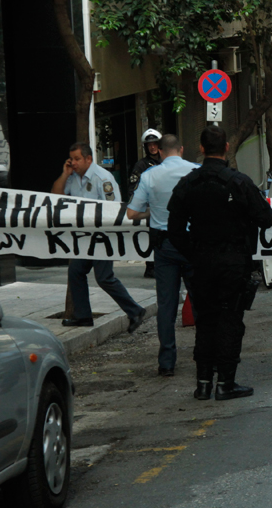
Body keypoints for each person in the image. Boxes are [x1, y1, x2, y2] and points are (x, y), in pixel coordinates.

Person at [169, 126, 272, 401]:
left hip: (202, 261)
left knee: (205, 320)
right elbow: (265, 217)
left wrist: (193, 252)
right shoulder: (238, 182)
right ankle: (225, 383)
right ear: (227, 147)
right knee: (229, 320)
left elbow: (174, 228)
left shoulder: (188, 183)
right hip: (232, 261)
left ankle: (203, 382)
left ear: (201, 148)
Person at [52, 142, 147, 331]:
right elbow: (56, 196)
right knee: (76, 272)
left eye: (78, 159)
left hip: (103, 236)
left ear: (89, 159)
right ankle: (83, 316)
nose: (74, 163)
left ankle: (135, 310)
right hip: (86, 237)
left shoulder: (102, 178)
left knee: (104, 277)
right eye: (72, 159)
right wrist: (65, 174)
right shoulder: (73, 178)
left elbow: (113, 210)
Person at [126, 134, 198, 376]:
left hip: (165, 246)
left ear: (161, 152)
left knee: (166, 305)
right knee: (199, 300)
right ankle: (203, 353)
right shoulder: (196, 171)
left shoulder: (149, 176)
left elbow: (132, 214)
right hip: (192, 244)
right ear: (181, 149)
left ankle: (167, 362)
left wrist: (154, 213)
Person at [130, 128, 163, 278]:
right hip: (150, 210)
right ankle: (151, 266)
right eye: (149, 144)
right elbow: (133, 188)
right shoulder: (141, 166)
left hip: (167, 209)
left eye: (155, 143)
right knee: (151, 238)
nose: (152, 147)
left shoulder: (167, 162)